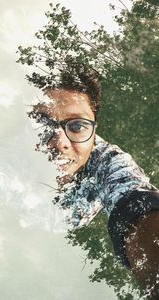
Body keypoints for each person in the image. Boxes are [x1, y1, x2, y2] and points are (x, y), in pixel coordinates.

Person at [29, 76, 159, 298]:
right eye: (42, 123)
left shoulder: (107, 161)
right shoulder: (7, 158)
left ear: (94, 130)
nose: (60, 142)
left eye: (77, 126)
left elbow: (135, 197)